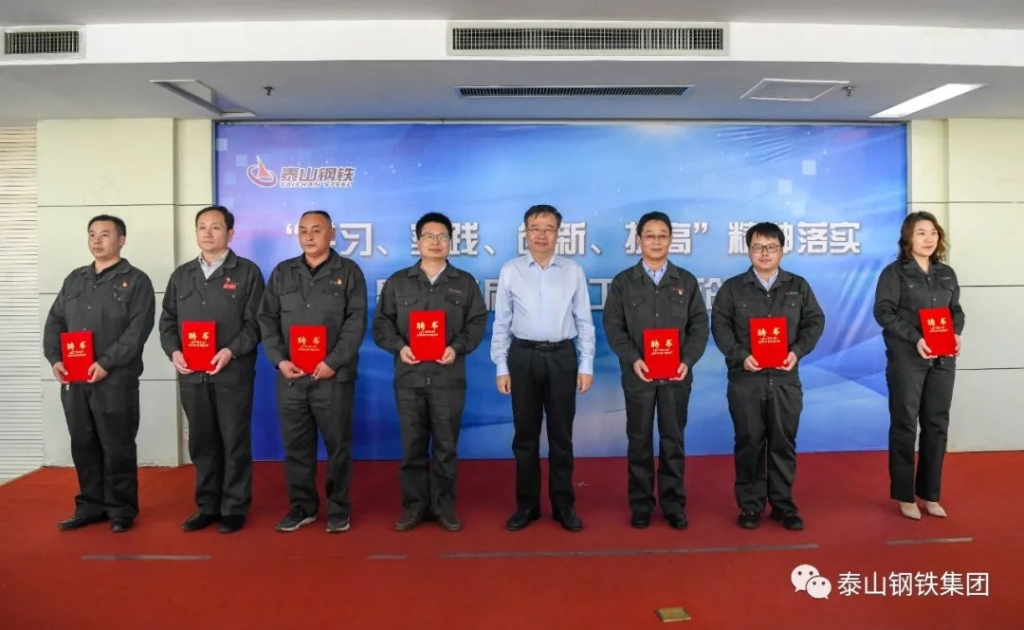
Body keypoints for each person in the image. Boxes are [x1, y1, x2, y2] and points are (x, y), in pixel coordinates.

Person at [372, 212, 488, 532]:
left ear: (451, 242)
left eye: (442, 237)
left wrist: (457, 347)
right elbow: (381, 324)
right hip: (409, 379)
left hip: (448, 379)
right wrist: (399, 347)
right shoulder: (398, 282)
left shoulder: (464, 283)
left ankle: (443, 507)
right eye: (429, 236)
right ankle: (414, 506)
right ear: (418, 241)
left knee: (446, 448)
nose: (435, 242)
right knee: (412, 447)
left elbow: (477, 322)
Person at [43, 215, 156, 533]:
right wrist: (55, 358)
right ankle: (90, 506)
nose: (96, 240)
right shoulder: (75, 279)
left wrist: (106, 362)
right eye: (92, 234)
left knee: (117, 444)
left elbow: (138, 331)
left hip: (115, 379)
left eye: (105, 234)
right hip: (76, 378)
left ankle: (121, 509)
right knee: (83, 443)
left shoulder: (136, 281)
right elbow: (55, 321)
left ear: (121, 240)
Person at [257, 210, 367, 533]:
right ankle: (302, 506)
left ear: (331, 234)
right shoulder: (283, 272)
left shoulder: (349, 272)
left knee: (337, 446)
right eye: (303, 230)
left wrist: (333, 362)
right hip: (291, 378)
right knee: (296, 447)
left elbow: (356, 322)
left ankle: (338, 508)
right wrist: (279, 360)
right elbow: (267, 319)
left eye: (316, 230)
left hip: (333, 378)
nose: (308, 236)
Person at [711, 222, 824, 531]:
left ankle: (783, 505)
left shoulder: (798, 286)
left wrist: (797, 351)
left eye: (771, 247)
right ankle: (750, 506)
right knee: (748, 443)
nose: (765, 253)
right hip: (746, 381)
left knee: (782, 444)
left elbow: (815, 321)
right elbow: (720, 327)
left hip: (785, 380)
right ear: (748, 250)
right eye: (758, 247)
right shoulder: (733, 288)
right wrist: (740, 355)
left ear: (781, 250)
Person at [159, 205, 265, 534]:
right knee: (202, 442)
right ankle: (208, 505)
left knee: (234, 440)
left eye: (215, 227)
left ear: (230, 233)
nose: (207, 233)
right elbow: (168, 321)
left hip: (232, 373)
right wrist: (174, 350)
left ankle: (234, 507)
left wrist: (230, 351)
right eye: (202, 227)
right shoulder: (182, 275)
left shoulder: (247, 273)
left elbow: (257, 324)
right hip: (192, 375)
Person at [491, 204, 596, 532]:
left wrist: (586, 363)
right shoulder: (511, 270)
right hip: (522, 357)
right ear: (525, 232)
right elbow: (502, 321)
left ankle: (563, 505)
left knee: (561, 436)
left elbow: (584, 319)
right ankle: (527, 505)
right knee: (525, 436)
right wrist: (501, 365)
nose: (541, 235)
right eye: (535, 228)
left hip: (562, 357)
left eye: (549, 228)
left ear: (558, 233)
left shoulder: (572, 270)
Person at [603, 212, 709, 530]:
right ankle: (641, 505)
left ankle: (673, 504)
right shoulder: (623, 282)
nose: (656, 241)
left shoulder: (686, 281)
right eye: (649, 235)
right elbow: (613, 327)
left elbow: (699, 327)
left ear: (671, 240)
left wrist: (687, 360)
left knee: (672, 440)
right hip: (639, 375)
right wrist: (633, 358)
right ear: (639, 240)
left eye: (662, 235)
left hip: (677, 376)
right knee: (639, 440)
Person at [873, 211, 964, 520]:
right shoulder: (894, 273)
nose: (929, 238)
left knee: (937, 424)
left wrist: (956, 333)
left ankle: (930, 494)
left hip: (943, 358)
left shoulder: (946, 273)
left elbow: (956, 311)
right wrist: (916, 338)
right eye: (921, 233)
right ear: (908, 238)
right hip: (907, 359)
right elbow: (883, 312)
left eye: (933, 232)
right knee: (905, 424)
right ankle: (904, 495)